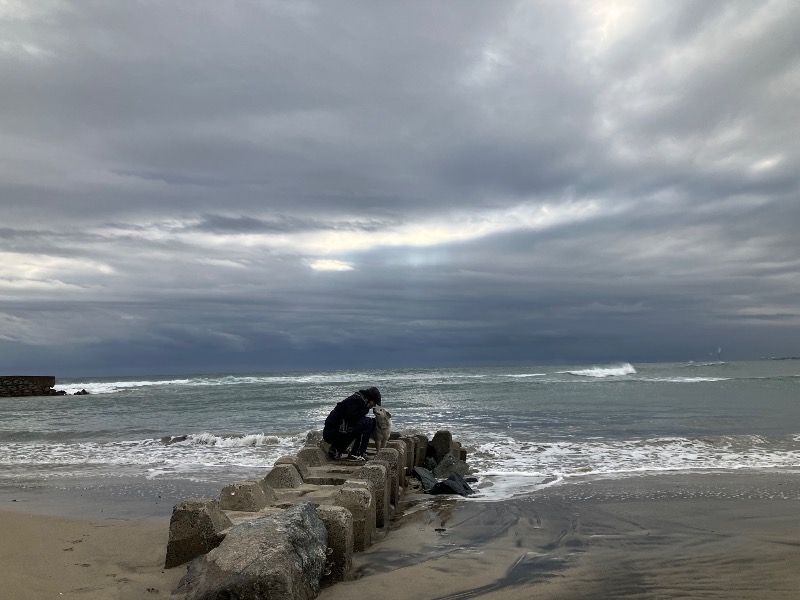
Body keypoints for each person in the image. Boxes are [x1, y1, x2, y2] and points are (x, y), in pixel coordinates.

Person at [323, 386, 381, 461]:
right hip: (333, 433)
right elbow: (350, 420)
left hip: (332, 432)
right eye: (374, 403)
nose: (374, 406)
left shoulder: (358, 399)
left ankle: (336, 449)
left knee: (364, 423)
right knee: (368, 422)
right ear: (371, 399)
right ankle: (357, 453)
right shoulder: (359, 401)